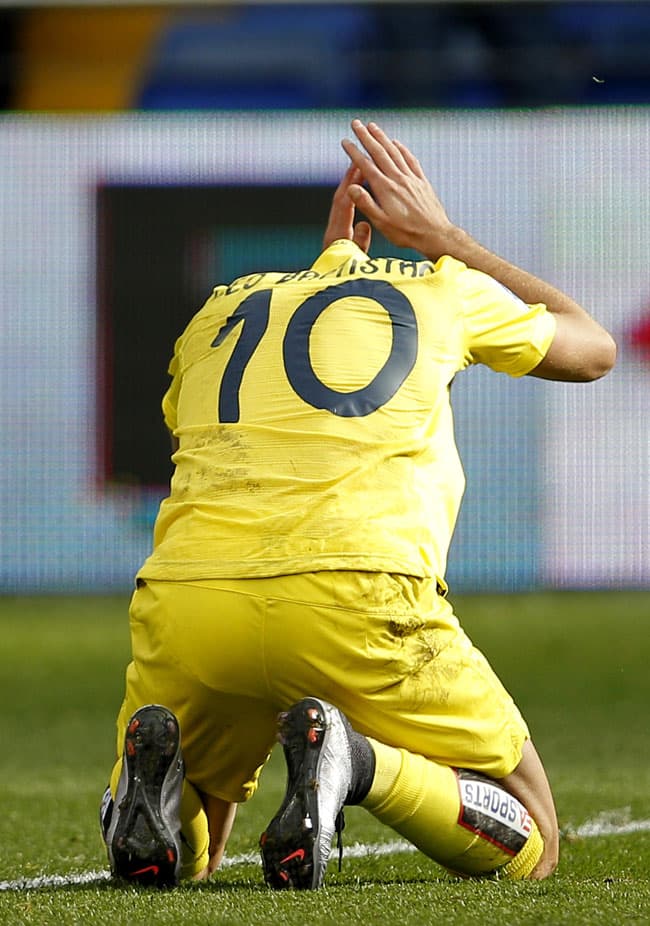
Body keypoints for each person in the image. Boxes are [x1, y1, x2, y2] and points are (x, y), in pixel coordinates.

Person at [100, 120, 616, 889]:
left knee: (195, 842)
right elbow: (594, 348)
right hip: (358, 596)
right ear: (391, 237)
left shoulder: (215, 311)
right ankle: (359, 761)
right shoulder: (442, 287)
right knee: (536, 840)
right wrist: (450, 239)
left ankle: (157, 806)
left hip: (190, 598)